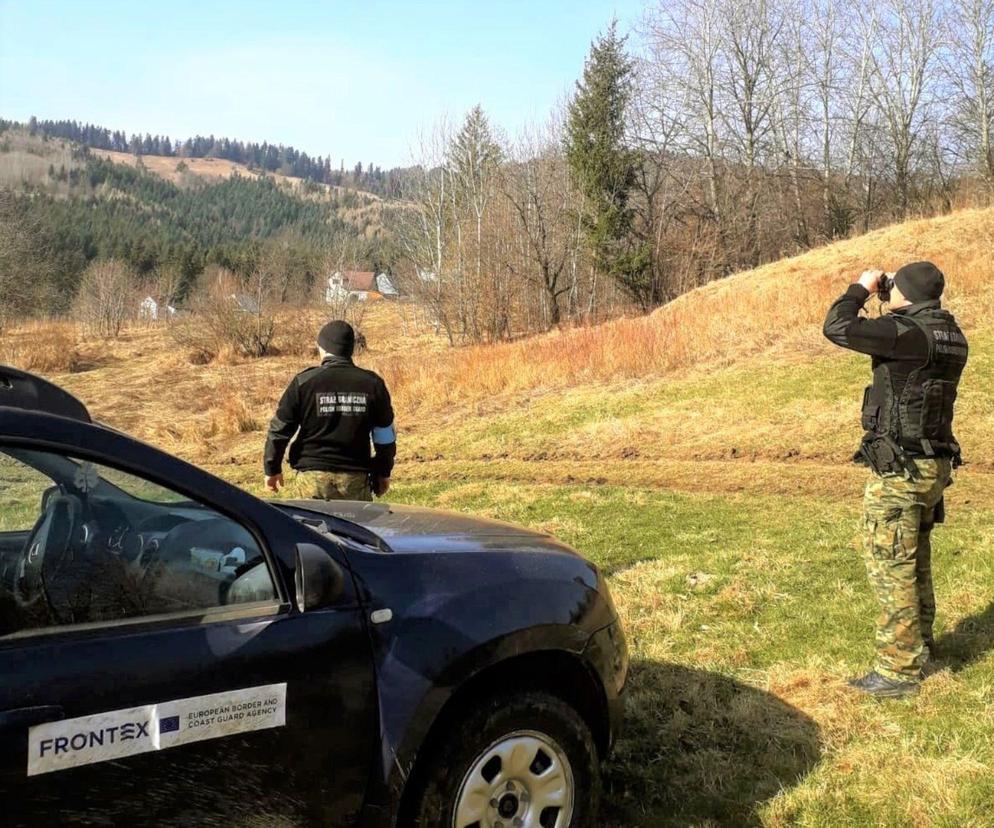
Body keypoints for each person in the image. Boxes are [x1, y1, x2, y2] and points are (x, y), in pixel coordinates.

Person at [823, 261, 968, 698]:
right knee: (916, 558)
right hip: (933, 465)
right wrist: (893, 303)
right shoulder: (952, 335)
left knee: (891, 566)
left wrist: (862, 289)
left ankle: (898, 672)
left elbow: (837, 326)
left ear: (903, 292)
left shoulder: (903, 333)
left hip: (901, 470)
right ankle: (922, 644)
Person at [263, 320, 396, 502]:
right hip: (355, 478)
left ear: (322, 348)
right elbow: (385, 436)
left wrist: (272, 468)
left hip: (312, 478)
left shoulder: (304, 382)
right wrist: (383, 472)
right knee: (353, 531)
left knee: (311, 530)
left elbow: (280, 430)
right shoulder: (372, 384)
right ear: (351, 349)